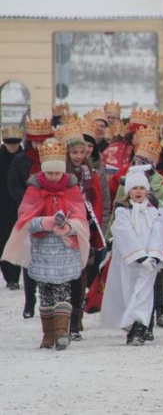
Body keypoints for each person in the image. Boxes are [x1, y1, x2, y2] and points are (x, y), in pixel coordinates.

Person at [2, 138, 90, 350]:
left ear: (62, 172)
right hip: (42, 249)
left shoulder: (71, 189)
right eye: (49, 173)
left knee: (63, 290)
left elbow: (80, 215)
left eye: (56, 173)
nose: (53, 176)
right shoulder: (34, 190)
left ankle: (61, 331)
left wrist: (69, 227)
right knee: (45, 292)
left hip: (65, 249)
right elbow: (25, 217)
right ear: (43, 171)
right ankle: (48, 334)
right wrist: (44, 222)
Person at [101, 167, 163, 346]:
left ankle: (139, 327)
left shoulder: (152, 212)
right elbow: (124, 233)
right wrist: (139, 256)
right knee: (130, 293)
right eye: (135, 188)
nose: (138, 192)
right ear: (128, 190)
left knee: (143, 294)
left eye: (142, 188)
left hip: (149, 263)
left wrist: (153, 255)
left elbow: (158, 234)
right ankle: (132, 325)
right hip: (129, 262)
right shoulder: (123, 212)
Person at [56, 121, 106, 341]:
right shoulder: (59, 173)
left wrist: (95, 224)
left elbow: (96, 199)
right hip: (62, 228)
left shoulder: (89, 172)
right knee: (62, 276)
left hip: (83, 227)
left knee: (80, 274)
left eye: (80, 152)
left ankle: (75, 321)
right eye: (73, 152)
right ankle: (61, 320)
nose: (77, 156)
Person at [7, 116, 54, 319]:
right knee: (29, 258)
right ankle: (29, 301)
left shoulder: (53, 157)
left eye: (43, 141)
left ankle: (48, 298)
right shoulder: (21, 160)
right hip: (28, 213)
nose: (40, 145)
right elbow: (13, 184)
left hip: (50, 213)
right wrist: (28, 200)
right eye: (37, 141)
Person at [0, 126, 24, 290]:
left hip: (20, 205)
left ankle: (14, 276)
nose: (13, 147)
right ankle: (8, 275)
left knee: (17, 240)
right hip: (2, 206)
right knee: (2, 241)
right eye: (10, 143)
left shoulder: (23, 159)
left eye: (15, 143)